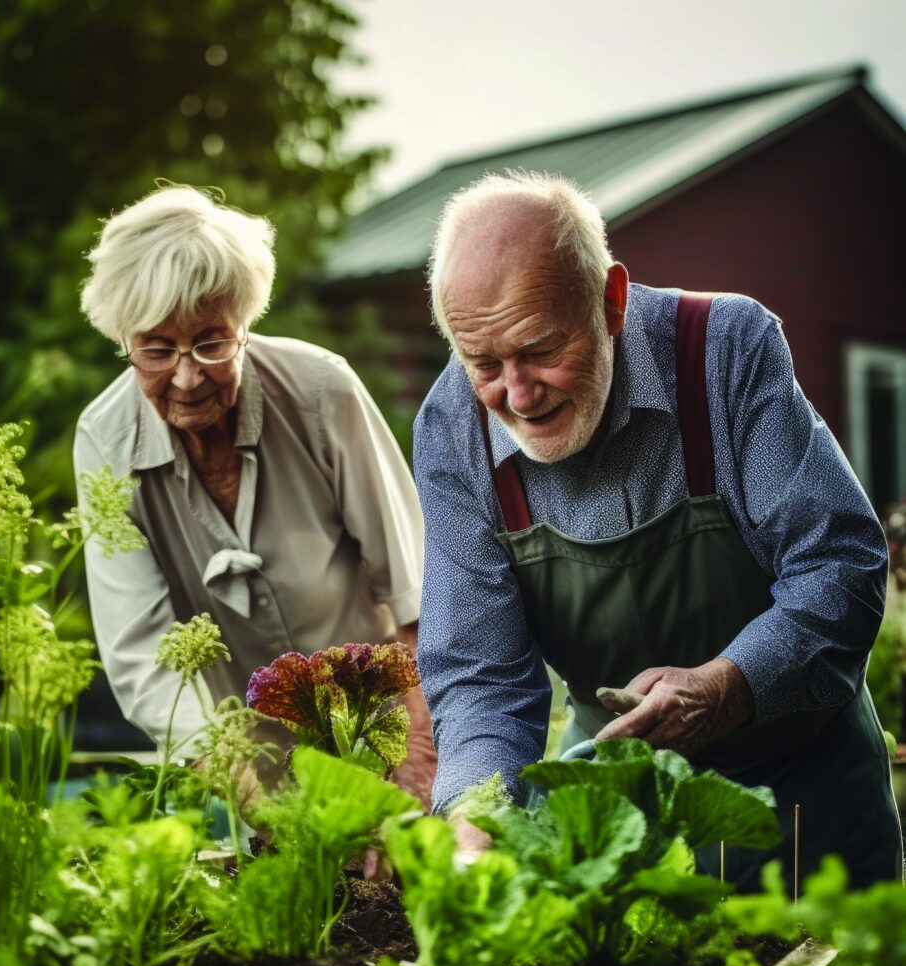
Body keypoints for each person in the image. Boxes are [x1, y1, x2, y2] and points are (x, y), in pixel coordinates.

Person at [413, 169, 901, 889]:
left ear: (610, 301)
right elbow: (479, 672)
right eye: (483, 363)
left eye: (541, 350)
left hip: (804, 796)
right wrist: (478, 818)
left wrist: (726, 687)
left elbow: (839, 564)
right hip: (618, 809)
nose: (516, 395)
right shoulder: (454, 430)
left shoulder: (723, 351)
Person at [74, 184, 436, 804]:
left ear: (244, 324)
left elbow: (416, 594)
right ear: (123, 339)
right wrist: (250, 795)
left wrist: (420, 755)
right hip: (250, 763)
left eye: (211, 342)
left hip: (386, 727)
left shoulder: (321, 391)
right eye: (156, 349)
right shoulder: (106, 443)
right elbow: (143, 657)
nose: (187, 377)